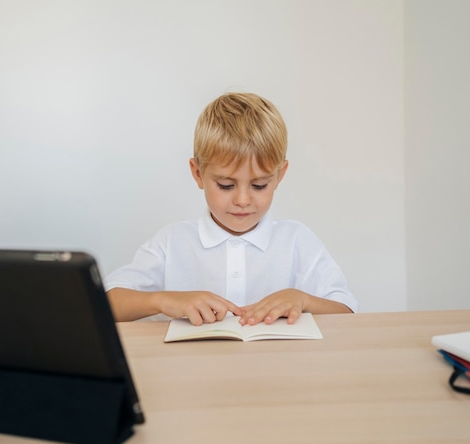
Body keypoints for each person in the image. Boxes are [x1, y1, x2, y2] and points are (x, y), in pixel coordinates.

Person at [106, 92, 356, 326]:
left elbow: (346, 311)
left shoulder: (297, 240)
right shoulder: (172, 242)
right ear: (198, 173)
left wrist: (303, 300)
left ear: (279, 176)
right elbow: (107, 302)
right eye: (226, 185)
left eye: (259, 185)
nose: (243, 200)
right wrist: (163, 300)